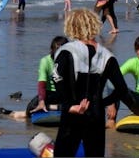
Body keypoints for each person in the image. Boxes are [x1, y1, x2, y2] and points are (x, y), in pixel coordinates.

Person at [52, 9, 133, 157]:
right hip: (95, 114)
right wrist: (102, 103)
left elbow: (56, 77)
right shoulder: (107, 56)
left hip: (72, 113)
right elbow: (122, 89)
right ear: (94, 25)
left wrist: (69, 105)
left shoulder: (67, 51)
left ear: (72, 26)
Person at [0, 36, 69, 119]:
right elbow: (42, 84)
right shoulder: (45, 61)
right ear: (52, 49)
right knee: (31, 108)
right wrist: (41, 101)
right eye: (57, 50)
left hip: (64, 95)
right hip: (49, 93)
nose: (59, 53)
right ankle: (17, 113)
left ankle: (49, 107)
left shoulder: (70, 61)